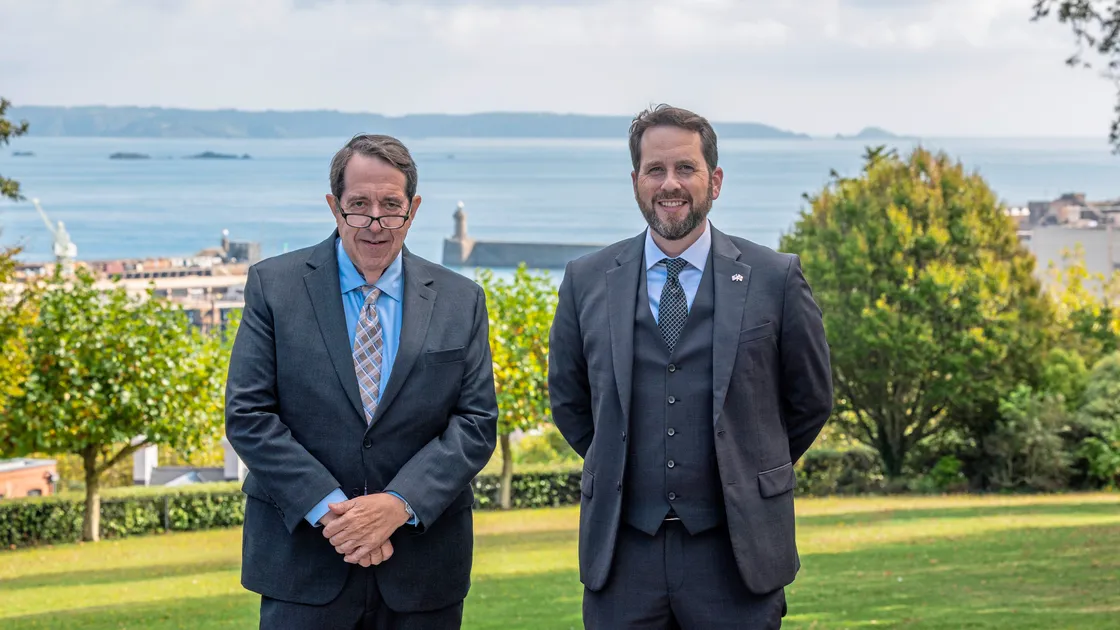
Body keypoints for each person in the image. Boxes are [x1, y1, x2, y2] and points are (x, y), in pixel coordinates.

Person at [548, 104, 833, 629]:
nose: (669, 184)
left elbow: (811, 401)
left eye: (685, 168)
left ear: (715, 180)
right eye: (655, 170)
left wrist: (749, 462)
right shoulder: (586, 280)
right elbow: (569, 401)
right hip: (623, 556)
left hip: (737, 554)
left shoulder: (775, 278)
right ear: (636, 181)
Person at [225, 133, 498, 629]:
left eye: (391, 206)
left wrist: (398, 505)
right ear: (334, 206)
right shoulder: (274, 286)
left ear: (413, 209)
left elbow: (475, 423)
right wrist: (338, 516)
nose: (375, 222)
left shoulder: (462, 299)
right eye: (359, 206)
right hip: (302, 569)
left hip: (423, 569)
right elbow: (248, 415)